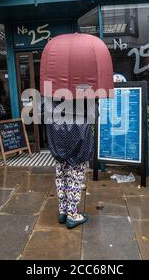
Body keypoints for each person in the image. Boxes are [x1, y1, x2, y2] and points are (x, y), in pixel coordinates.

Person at [45, 98, 93, 229]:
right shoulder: (84, 91)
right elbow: (93, 114)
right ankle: (73, 215)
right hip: (78, 139)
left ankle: (63, 212)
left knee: (61, 175)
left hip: (58, 140)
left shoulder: (52, 90)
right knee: (75, 178)